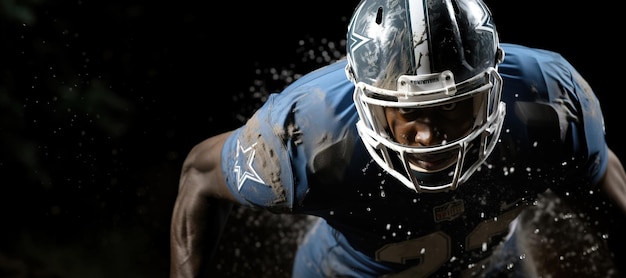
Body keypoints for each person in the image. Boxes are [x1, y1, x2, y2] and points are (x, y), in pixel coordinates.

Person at [169, 0, 626, 276]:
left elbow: (604, 193)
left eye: (451, 105)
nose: (429, 136)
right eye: (409, 112)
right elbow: (198, 175)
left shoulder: (549, 101)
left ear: (493, 86)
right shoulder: (303, 139)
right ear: (365, 98)